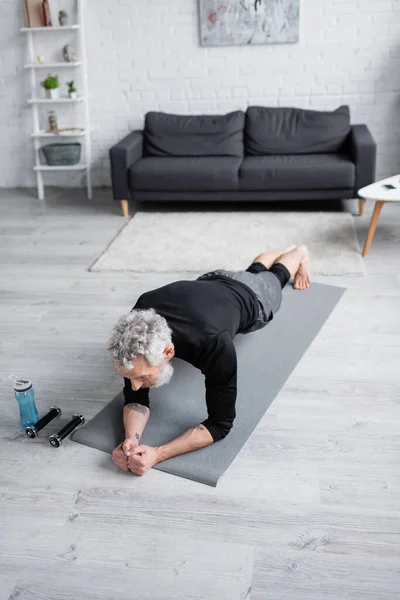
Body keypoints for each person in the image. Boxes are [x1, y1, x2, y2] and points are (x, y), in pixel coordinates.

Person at [107, 245, 311, 476]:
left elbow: (220, 425)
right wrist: (129, 442)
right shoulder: (137, 324)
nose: (134, 385)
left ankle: (298, 252)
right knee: (253, 272)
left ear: (167, 352)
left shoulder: (214, 343)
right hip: (213, 279)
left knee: (277, 275)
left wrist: (158, 453)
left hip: (254, 296)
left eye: (141, 377)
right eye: (129, 377)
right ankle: (275, 255)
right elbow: (135, 396)